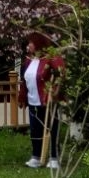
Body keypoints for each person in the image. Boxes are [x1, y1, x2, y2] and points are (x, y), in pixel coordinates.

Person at [18, 31, 64, 169]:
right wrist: (22, 97)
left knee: (51, 127)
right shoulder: (28, 61)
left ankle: (54, 157)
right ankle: (36, 156)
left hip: (47, 100)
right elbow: (24, 81)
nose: (29, 46)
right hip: (33, 101)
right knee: (35, 129)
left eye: (31, 43)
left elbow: (60, 73)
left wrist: (54, 90)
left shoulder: (51, 58)